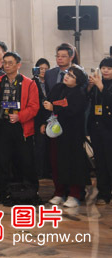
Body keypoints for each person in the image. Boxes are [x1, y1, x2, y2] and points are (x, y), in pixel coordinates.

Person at [0, 51, 39, 203]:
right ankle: (4, 192)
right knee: (3, 160)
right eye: (4, 63)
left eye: (10, 63)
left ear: (18, 65)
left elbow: (34, 107)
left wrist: (20, 116)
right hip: (3, 126)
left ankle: (28, 192)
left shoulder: (29, 83)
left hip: (22, 127)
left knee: (25, 160)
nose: (6, 66)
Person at [44, 67, 90, 208]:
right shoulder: (58, 88)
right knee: (56, 162)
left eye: (71, 76)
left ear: (78, 81)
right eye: (67, 74)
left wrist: (55, 108)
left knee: (73, 163)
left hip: (73, 134)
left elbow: (73, 110)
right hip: (56, 131)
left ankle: (74, 194)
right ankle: (59, 192)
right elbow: (48, 103)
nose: (67, 77)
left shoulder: (80, 93)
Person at [88, 60, 112, 205]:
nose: (105, 71)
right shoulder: (97, 84)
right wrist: (90, 88)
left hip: (110, 129)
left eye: (109, 68)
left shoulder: (102, 85)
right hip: (97, 128)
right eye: (103, 68)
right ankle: (103, 193)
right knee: (101, 161)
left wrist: (101, 87)